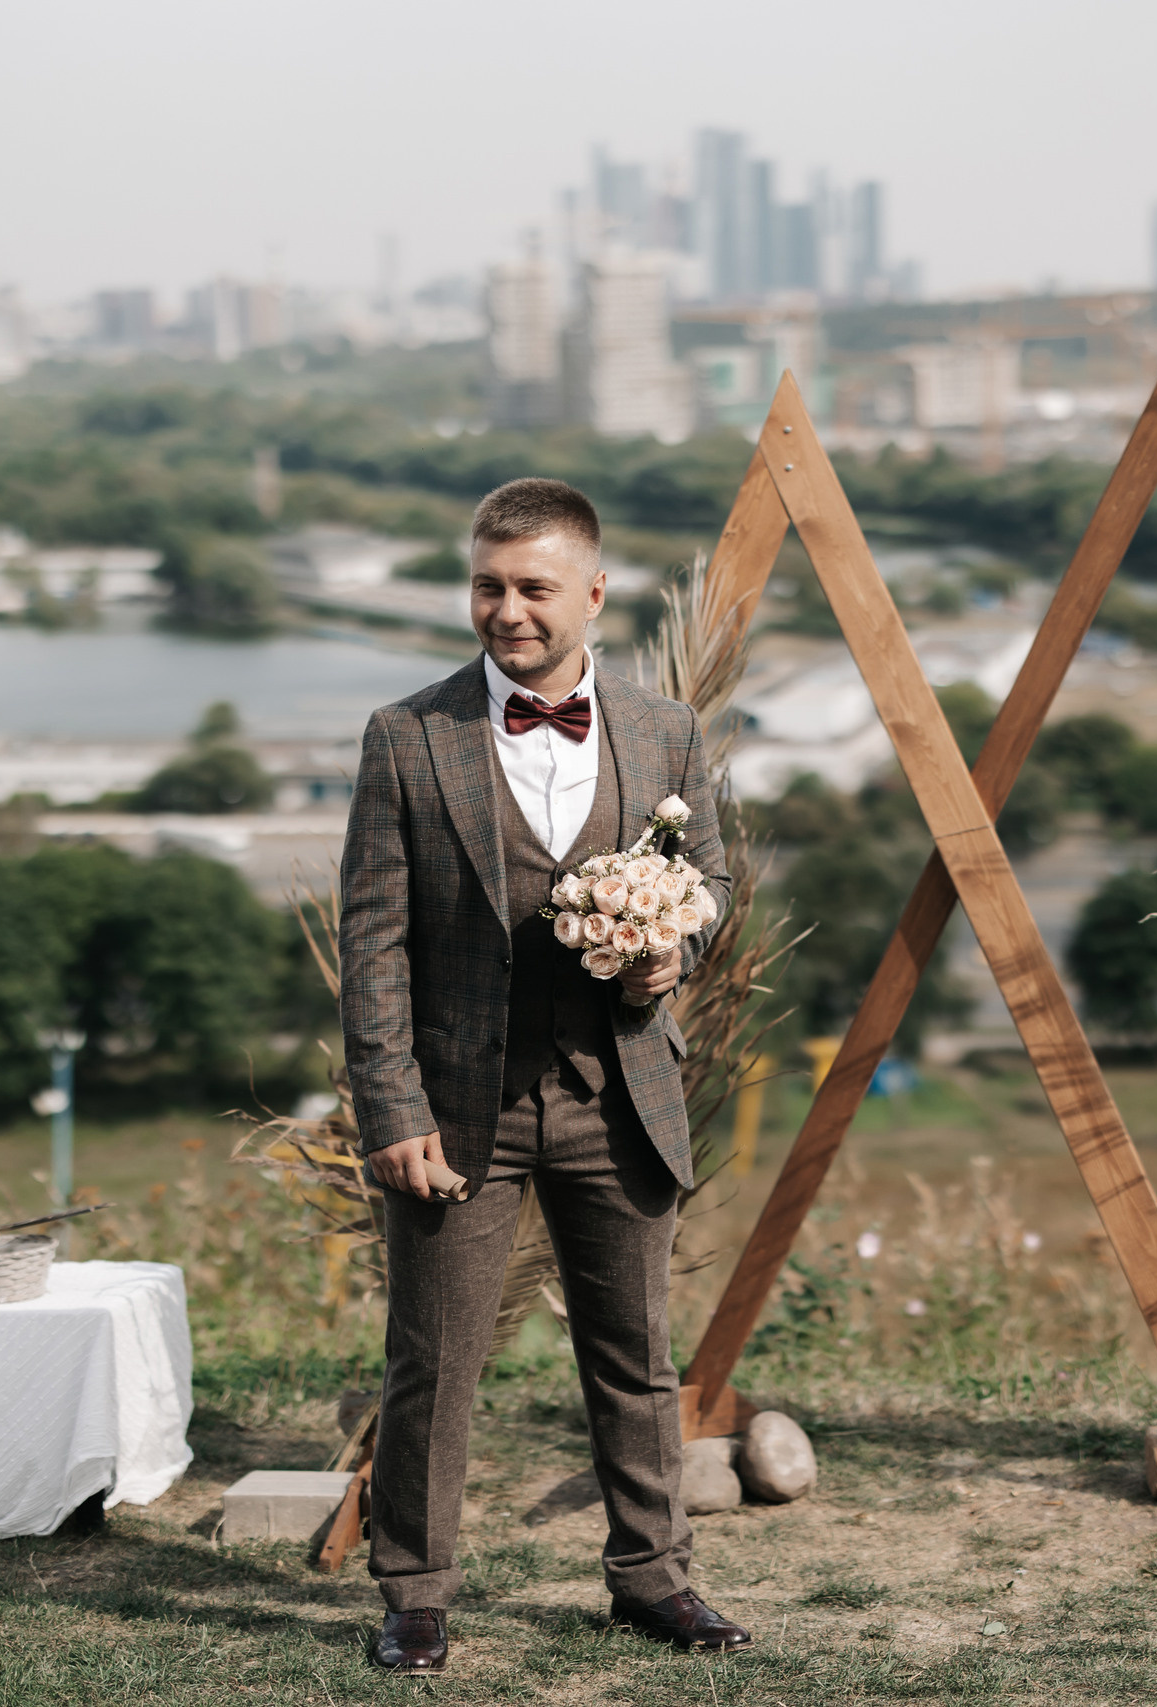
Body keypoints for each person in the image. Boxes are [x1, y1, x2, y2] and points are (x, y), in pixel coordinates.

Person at [338, 477, 752, 1673]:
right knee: (433, 1361)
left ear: (592, 593)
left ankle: (653, 1580)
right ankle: (414, 1594)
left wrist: (674, 944)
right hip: (458, 1115)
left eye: (531, 588)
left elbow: (708, 880)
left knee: (634, 1356)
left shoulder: (666, 729)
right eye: (486, 585)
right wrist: (393, 1109)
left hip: (621, 1098)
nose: (505, 610)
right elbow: (374, 949)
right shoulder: (406, 737)